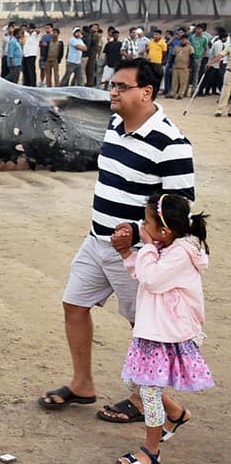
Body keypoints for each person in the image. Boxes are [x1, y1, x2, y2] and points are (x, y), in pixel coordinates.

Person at [38, 58, 196, 426]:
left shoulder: (172, 143)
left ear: (146, 92)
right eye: (112, 85)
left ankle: (145, 400)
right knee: (74, 305)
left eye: (122, 87)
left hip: (137, 255)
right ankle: (82, 384)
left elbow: (178, 210)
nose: (113, 91)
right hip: (96, 242)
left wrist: (139, 232)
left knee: (145, 329)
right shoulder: (114, 124)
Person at [111, 192, 212, 464]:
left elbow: (152, 279)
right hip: (154, 330)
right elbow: (144, 275)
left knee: (149, 392)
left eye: (147, 222)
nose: (143, 227)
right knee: (134, 382)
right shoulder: (165, 247)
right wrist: (126, 253)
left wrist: (145, 246)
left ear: (165, 230)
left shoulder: (180, 252)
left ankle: (150, 451)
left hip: (167, 333)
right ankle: (177, 414)